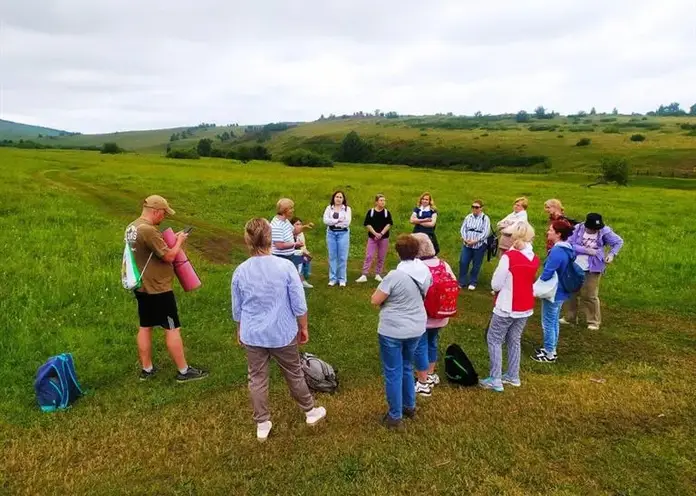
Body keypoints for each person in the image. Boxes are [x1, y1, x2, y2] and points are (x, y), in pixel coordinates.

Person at [232, 218, 327, 441]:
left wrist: (240, 329)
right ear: (270, 238)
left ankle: (262, 423)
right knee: (293, 372)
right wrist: (303, 326)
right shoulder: (285, 267)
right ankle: (310, 411)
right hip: (282, 333)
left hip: (253, 333)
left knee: (257, 378)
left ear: (248, 240)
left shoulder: (241, 271)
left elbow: (238, 307)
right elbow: (299, 303)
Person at [126, 195, 208, 382]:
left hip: (142, 287)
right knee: (172, 328)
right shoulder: (149, 231)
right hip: (159, 289)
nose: (164, 218)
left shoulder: (132, 227)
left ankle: (147, 370)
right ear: (155, 211)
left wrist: (171, 237)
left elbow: (151, 249)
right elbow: (169, 256)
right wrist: (180, 241)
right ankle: (184, 371)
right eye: (163, 214)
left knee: (145, 326)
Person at [371, 235, 432, 430]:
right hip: (416, 327)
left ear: (397, 253)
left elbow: (375, 300)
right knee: (407, 365)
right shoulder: (424, 271)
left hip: (393, 330)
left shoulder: (394, 275)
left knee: (393, 372)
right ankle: (409, 406)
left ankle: (395, 416)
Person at [479, 222, 539, 392]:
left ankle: (495, 378)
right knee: (514, 339)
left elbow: (496, 284)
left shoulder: (510, 257)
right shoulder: (534, 258)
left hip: (507, 304)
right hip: (525, 305)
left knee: (494, 339)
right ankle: (513, 375)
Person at [561, 213, 624, 331]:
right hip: (575, 264)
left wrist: (611, 254)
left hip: (593, 267)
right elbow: (569, 243)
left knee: (589, 294)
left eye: (597, 228)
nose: (595, 230)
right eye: (592, 228)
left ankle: (593, 321)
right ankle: (569, 317)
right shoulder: (578, 229)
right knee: (571, 291)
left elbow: (618, 242)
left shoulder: (604, 231)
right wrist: (585, 250)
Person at [412, 233, 456, 397]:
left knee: (420, 346)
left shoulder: (418, 268)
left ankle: (422, 382)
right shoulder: (444, 264)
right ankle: (430, 374)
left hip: (423, 315)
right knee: (433, 342)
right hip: (441, 314)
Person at [531, 220, 576, 363]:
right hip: (561, 291)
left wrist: (538, 284)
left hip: (554, 292)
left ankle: (549, 353)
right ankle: (551, 348)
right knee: (554, 321)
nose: (548, 232)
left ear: (558, 234)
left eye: (551, 230)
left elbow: (547, 273)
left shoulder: (557, 251)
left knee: (548, 322)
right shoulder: (568, 249)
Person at [357, 194, 393, 283]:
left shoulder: (386, 213)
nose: (383, 202)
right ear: (376, 202)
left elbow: (389, 224)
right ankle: (364, 274)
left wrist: (381, 233)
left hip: (384, 238)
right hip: (372, 238)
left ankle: (378, 274)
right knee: (369, 255)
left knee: (381, 256)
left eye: (384, 200)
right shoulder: (371, 212)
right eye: (381, 200)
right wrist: (375, 233)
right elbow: (367, 224)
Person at [458, 199, 491, 291]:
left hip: (479, 245)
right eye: (473, 207)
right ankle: (462, 281)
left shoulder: (485, 218)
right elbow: (463, 229)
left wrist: (475, 241)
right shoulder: (468, 217)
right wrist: (465, 239)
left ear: (481, 208)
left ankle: (473, 281)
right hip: (467, 244)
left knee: (476, 264)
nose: (474, 209)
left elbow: (486, 232)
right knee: (463, 262)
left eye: (476, 207)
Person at [322, 191, 352, 287]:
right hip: (331, 233)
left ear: (343, 199)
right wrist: (337, 220)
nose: (338, 198)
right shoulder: (328, 208)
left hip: (343, 233)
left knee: (342, 257)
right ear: (333, 198)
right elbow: (325, 220)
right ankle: (333, 278)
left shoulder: (347, 209)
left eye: (340, 197)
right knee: (332, 256)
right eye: (336, 196)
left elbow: (346, 223)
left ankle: (342, 278)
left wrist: (332, 222)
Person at [271, 198, 304, 262]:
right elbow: (279, 245)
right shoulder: (277, 225)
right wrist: (295, 244)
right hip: (280, 258)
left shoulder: (286, 221)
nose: (293, 210)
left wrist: (303, 228)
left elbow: (293, 232)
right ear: (284, 210)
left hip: (289, 255)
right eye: (291, 208)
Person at [291, 217, 314, 287]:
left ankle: (304, 276)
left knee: (306, 259)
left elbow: (303, 246)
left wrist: (306, 253)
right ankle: (302, 280)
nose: (299, 226)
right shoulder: (289, 233)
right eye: (297, 224)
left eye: (300, 224)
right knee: (299, 260)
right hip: (291, 254)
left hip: (299, 252)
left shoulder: (301, 234)